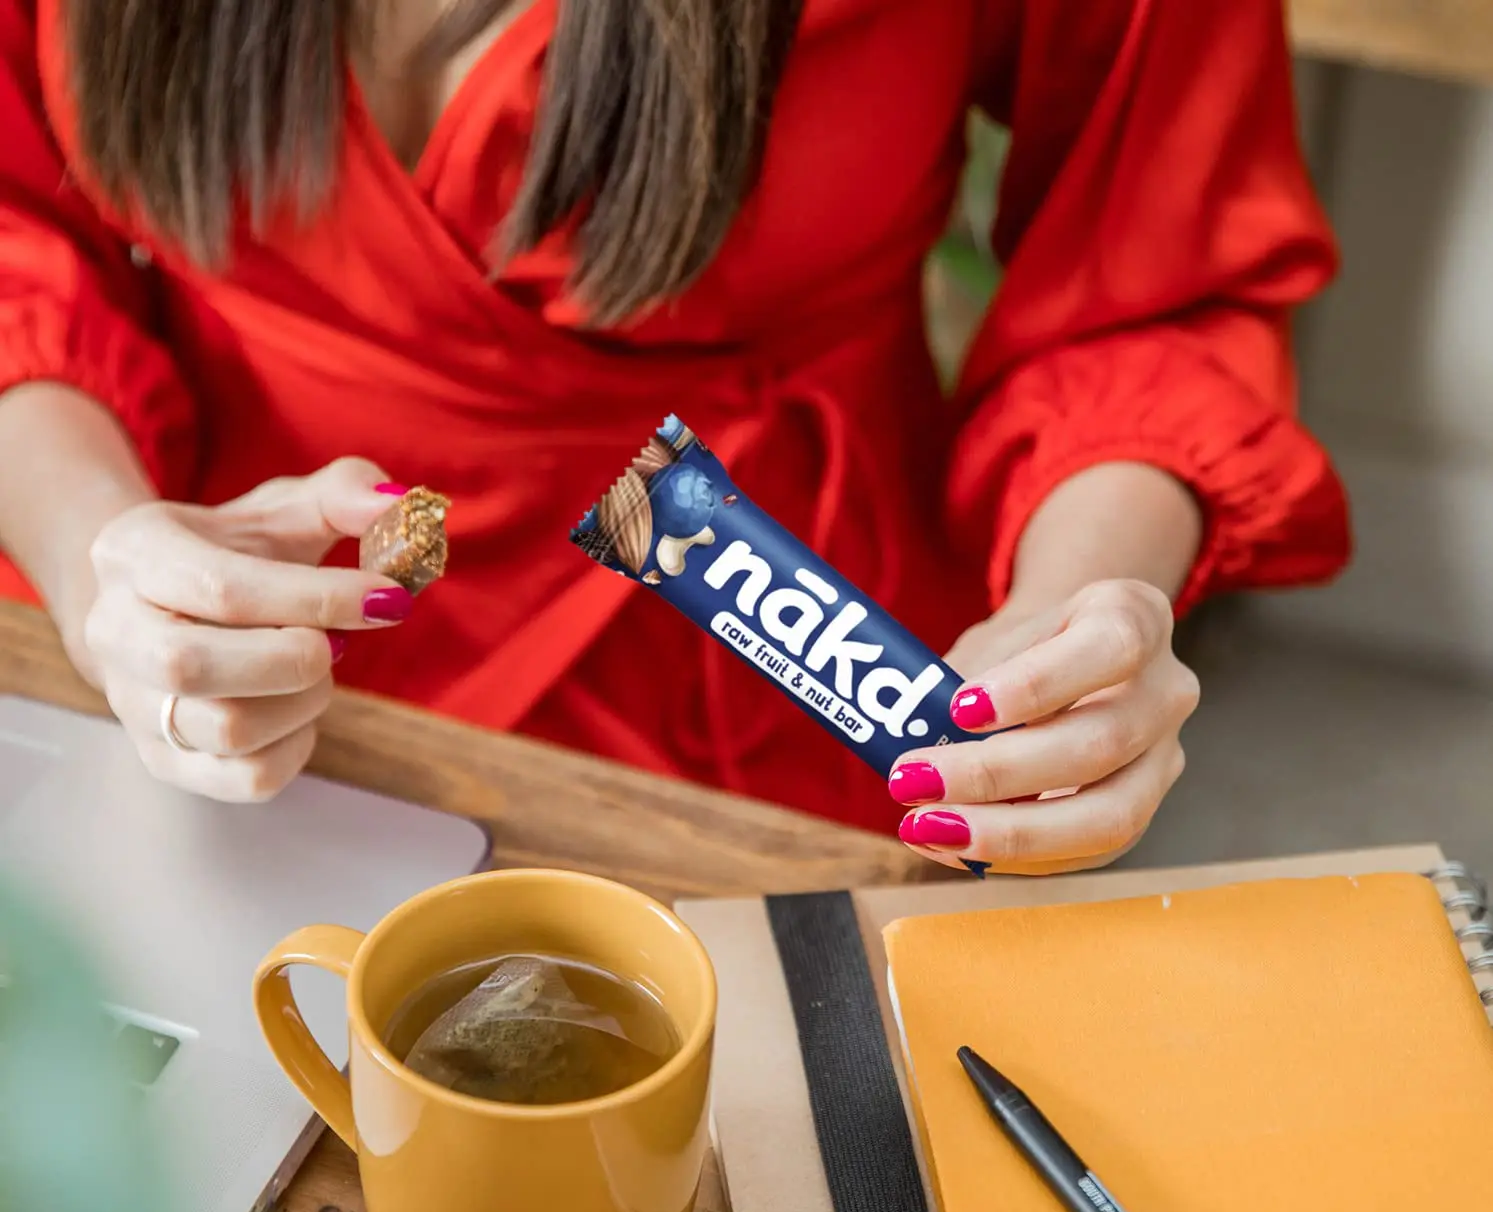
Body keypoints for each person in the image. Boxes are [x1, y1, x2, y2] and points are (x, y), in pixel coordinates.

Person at [0, 0, 1348, 875]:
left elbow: (1154, 274)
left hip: (753, 722)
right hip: (176, 680)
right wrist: (93, 555)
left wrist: (1079, 624)